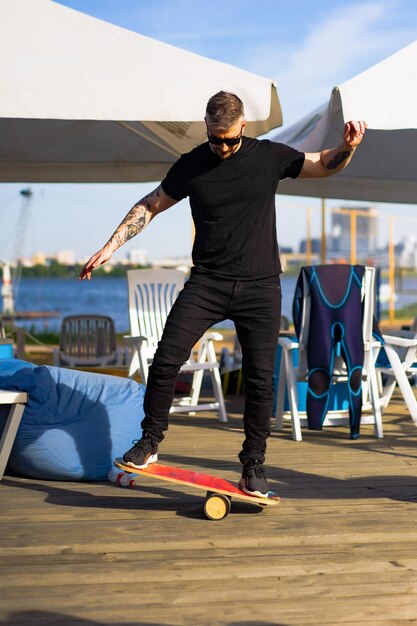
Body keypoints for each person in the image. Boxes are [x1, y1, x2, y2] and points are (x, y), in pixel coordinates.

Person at [80, 91, 367, 498]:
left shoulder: (268, 156)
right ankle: (150, 443)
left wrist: (347, 148)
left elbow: (322, 165)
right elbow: (150, 205)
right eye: (216, 139)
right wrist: (109, 248)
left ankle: (253, 466)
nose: (224, 147)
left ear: (243, 127)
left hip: (261, 285)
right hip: (207, 283)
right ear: (207, 128)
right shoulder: (193, 164)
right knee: (164, 361)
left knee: (259, 381)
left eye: (231, 139)